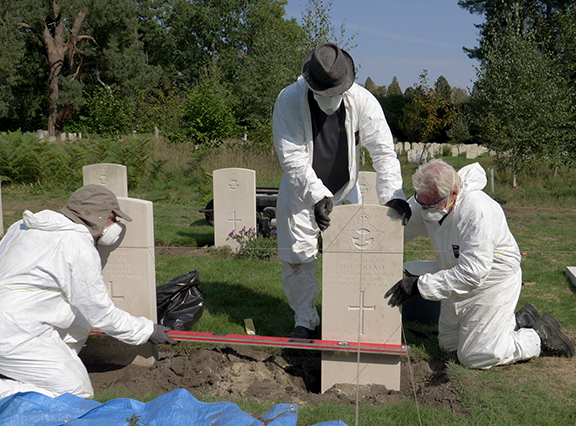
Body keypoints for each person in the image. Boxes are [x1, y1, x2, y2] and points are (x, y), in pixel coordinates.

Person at [273, 42, 410, 339]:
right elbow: (293, 159)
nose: (333, 98)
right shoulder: (289, 100)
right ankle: (305, 320)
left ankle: (349, 315)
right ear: (311, 83)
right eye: (326, 93)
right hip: (301, 194)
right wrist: (317, 196)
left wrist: (393, 195)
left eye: (338, 91)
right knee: (299, 258)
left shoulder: (363, 101)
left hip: (346, 191)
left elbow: (383, 152)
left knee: (353, 259)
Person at [385, 159, 574, 369]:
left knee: (474, 355)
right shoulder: (428, 199)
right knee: (449, 345)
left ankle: (539, 335)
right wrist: (387, 219)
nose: (424, 210)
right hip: (457, 277)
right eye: (420, 203)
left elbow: (473, 274)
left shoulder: (477, 210)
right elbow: (401, 229)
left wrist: (419, 285)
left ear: (453, 194)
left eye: (430, 205)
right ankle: (517, 320)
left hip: (492, 281)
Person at [0, 184, 176, 399]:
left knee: (77, 316)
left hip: (17, 322)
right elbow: (100, 313)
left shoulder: (23, 227)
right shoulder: (77, 245)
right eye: (114, 220)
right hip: (15, 333)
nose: (116, 226)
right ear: (102, 217)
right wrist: (147, 330)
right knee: (76, 392)